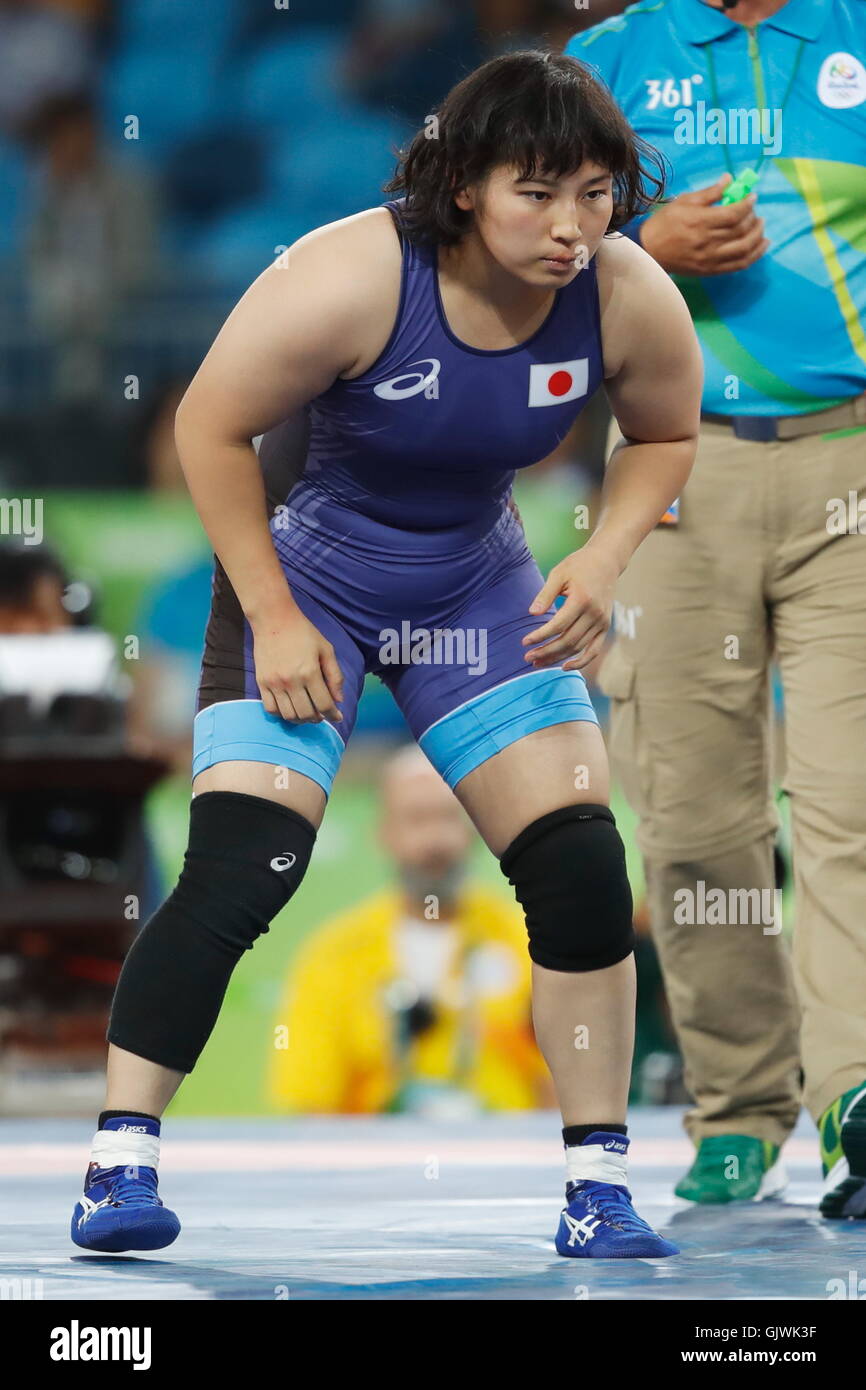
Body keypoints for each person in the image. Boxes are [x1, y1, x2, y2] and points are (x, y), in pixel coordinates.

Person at [70, 49, 703, 1260]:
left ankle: (597, 1187)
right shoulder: (348, 274)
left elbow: (662, 433)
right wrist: (271, 613)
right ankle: (118, 1164)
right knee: (240, 868)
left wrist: (606, 555)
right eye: (538, 194)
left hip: (476, 580)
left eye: (594, 193)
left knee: (579, 875)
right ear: (463, 184)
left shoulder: (623, 290)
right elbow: (208, 425)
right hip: (305, 574)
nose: (572, 227)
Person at [567, 0, 866, 1214]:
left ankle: (855, 1099)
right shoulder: (605, 61)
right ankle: (738, 1104)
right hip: (668, 469)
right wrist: (635, 236)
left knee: (852, 807)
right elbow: (498, 234)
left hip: (850, 466)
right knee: (693, 818)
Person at [268, 745, 552, 1116]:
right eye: (417, 819)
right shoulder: (334, 954)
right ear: (384, 833)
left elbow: (563, 1090)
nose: (435, 842)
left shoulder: (528, 940)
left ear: (475, 831)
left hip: (505, 1160)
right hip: (375, 1166)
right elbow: (311, 1105)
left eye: (449, 818)